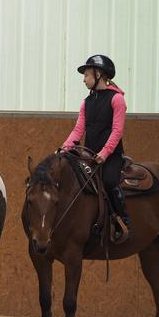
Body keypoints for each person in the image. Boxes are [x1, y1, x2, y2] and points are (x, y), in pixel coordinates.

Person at [62, 54, 130, 241]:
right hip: (90, 155)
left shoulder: (117, 99)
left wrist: (105, 153)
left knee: (109, 182)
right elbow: (78, 130)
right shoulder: (86, 102)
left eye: (86, 75)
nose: (84, 79)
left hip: (111, 156)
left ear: (98, 74)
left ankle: (122, 220)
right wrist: (64, 148)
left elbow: (117, 131)